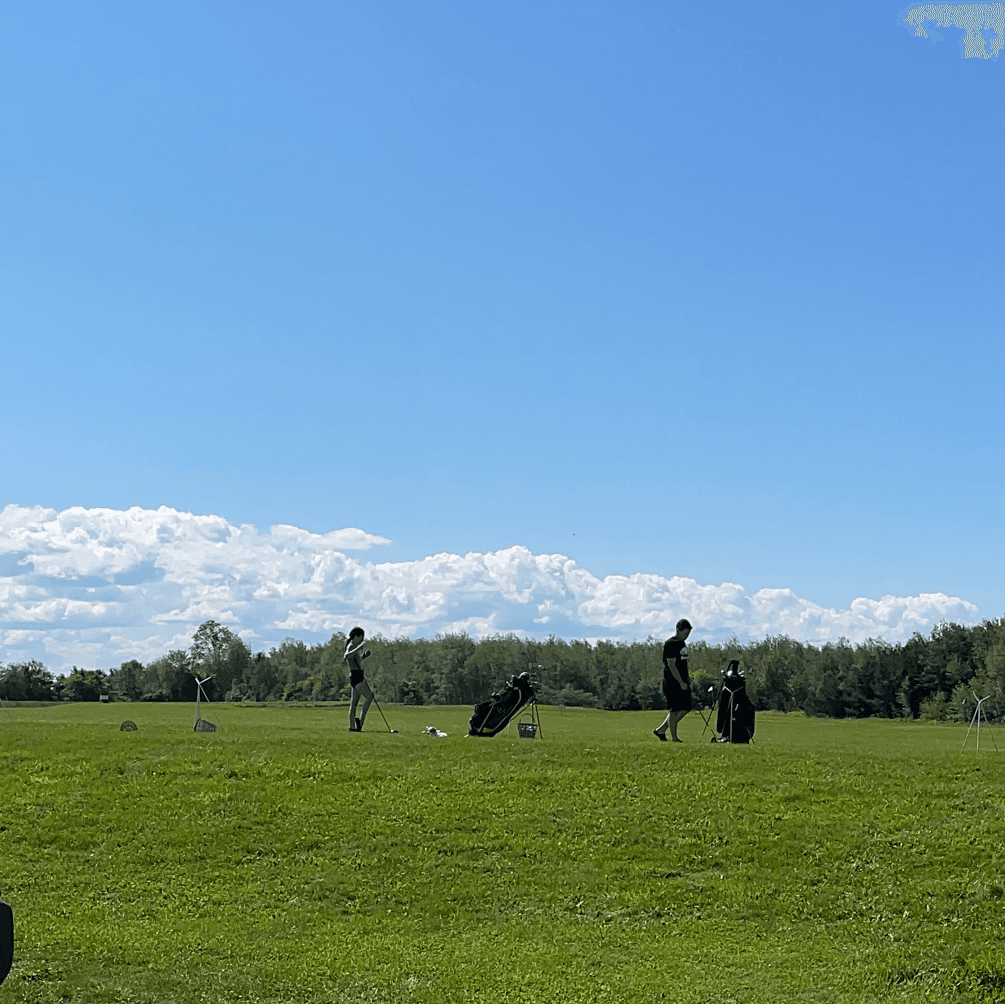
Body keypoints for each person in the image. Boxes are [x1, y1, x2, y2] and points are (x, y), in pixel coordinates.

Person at [654, 618, 692, 742]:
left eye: (688, 634)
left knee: (686, 707)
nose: (686, 636)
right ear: (678, 630)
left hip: (682, 680)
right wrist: (680, 682)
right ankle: (674, 738)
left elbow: (683, 663)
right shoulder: (670, 644)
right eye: (685, 633)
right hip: (672, 681)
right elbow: (671, 665)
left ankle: (661, 730)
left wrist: (686, 678)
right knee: (675, 709)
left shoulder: (682, 644)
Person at [344, 626, 373, 732]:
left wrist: (363, 656)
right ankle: (360, 722)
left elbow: (355, 659)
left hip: (356, 676)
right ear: (356, 636)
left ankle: (353, 726)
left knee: (354, 703)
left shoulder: (353, 646)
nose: (362, 639)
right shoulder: (351, 646)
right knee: (369, 697)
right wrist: (359, 648)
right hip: (356, 676)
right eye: (361, 637)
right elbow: (346, 656)